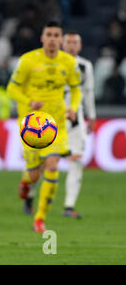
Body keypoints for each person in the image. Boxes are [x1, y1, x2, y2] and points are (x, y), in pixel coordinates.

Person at [6, 21, 82, 233]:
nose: (52, 38)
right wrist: (29, 101)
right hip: (31, 124)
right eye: (48, 34)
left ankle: (39, 218)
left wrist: (73, 108)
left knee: (52, 165)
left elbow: (76, 90)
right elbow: (12, 89)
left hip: (56, 124)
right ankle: (25, 182)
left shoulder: (68, 62)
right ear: (42, 38)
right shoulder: (28, 60)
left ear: (61, 39)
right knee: (33, 175)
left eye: (57, 35)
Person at [61, 31, 96, 218]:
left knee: (76, 160)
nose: (72, 45)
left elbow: (88, 93)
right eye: (69, 42)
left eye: (75, 42)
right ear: (62, 44)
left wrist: (92, 116)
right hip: (53, 119)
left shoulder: (85, 66)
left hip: (76, 119)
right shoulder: (51, 63)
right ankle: (30, 197)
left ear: (80, 46)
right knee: (43, 161)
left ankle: (69, 205)